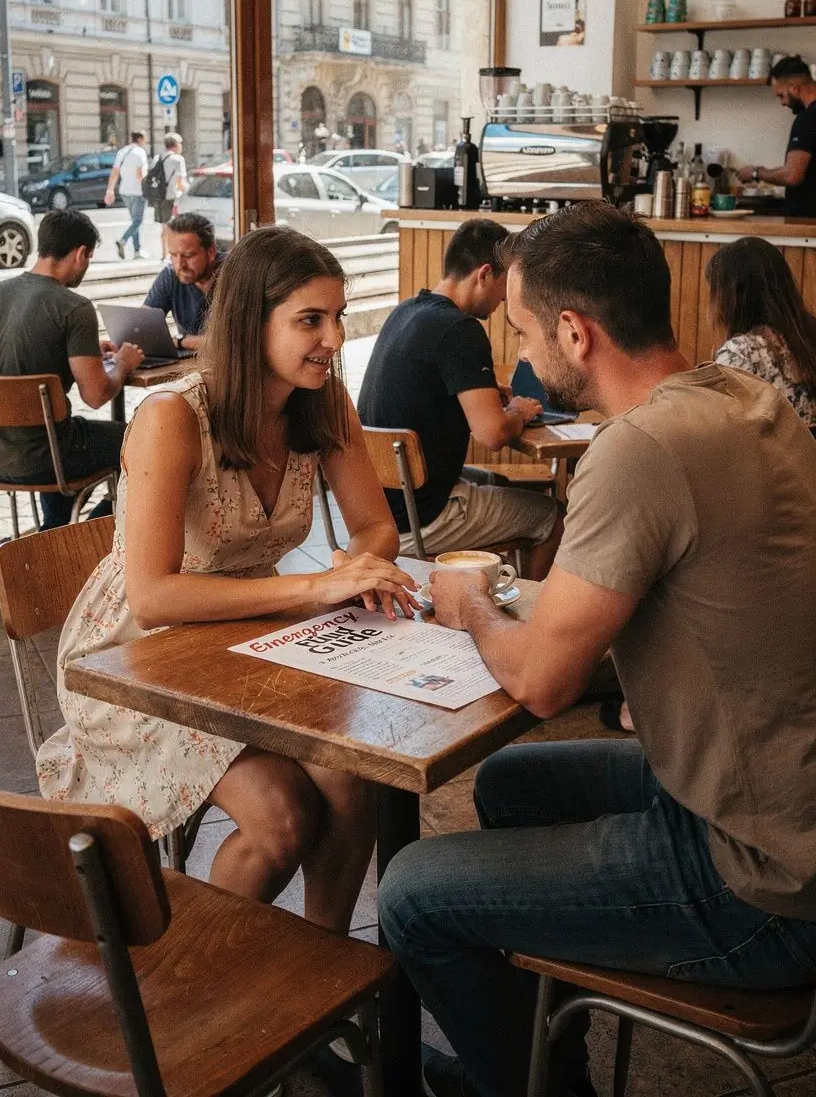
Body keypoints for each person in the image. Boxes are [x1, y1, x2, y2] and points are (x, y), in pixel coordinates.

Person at [378, 204, 816, 1097]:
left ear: (576, 332)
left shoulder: (639, 447)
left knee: (412, 892)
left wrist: (467, 606)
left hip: (763, 878)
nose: (525, 358)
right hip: (774, 789)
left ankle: (534, 1088)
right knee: (505, 784)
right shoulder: (747, 398)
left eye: (529, 334)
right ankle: (536, 1055)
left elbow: (542, 682)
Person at [37, 226, 418, 936]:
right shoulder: (174, 418)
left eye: (337, 316)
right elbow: (154, 597)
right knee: (284, 818)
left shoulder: (324, 405)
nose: (334, 338)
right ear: (251, 323)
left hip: (246, 635)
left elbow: (377, 528)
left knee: (349, 773)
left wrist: (354, 558)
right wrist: (314, 589)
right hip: (134, 658)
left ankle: (320, 971)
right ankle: (204, 999)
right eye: (311, 320)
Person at [357, 218, 561, 580]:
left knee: (500, 484)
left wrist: (483, 393)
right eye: (505, 286)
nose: (505, 299)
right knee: (552, 516)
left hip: (379, 510)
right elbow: (493, 434)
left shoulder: (407, 312)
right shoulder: (460, 329)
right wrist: (517, 409)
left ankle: (496, 591)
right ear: (484, 274)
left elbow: (424, 387)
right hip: (423, 518)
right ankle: (528, 613)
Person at [0, 210, 143, 529]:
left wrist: (88, 349)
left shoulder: (3, 292)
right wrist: (122, 365)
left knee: (62, 431)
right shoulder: (72, 307)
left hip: (3, 454)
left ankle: (55, 530)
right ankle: (95, 530)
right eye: (89, 257)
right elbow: (95, 396)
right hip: (48, 455)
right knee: (134, 436)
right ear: (80, 253)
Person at [707, 236, 816, 430]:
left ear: (731, 295)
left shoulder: (740, 351)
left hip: (778, 458)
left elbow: (719, 427)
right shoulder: (808, 332)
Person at [738, 55, 816, 216]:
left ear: (794, 87)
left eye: (781, 95)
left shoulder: (807, 119)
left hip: (807, 223)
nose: (782, 103)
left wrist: (755, 172)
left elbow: (792, 175)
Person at [143, 212, 221, 350]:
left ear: (211, 252)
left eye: (188, 255)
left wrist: (182, 341)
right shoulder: (170, 275)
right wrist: (120, 345)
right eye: (173, 255)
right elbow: (142, 326)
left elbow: (230, 343)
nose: (180, 265)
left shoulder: (234, 275)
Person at [105, 130, 149, 258]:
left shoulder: (122, 151)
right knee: (137, 221)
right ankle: (122, 241)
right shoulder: (140, 152)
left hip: (125, 191)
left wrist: (110, 189)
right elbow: (140, 175)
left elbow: (115, 172)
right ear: (140, 139)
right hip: (138, 191)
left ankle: (137, 251)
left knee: (134, 221)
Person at [150, 132, 188, 256]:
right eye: (180, 144)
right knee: (176, 227)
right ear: (176, 145)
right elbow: (179, 182)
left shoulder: (158, 157)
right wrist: (187, 190)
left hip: (159, 197)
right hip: (172, 197)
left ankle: (164, 254)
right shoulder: (178, 159)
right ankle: (174, 253)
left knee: (164, 227)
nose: (181, 146)